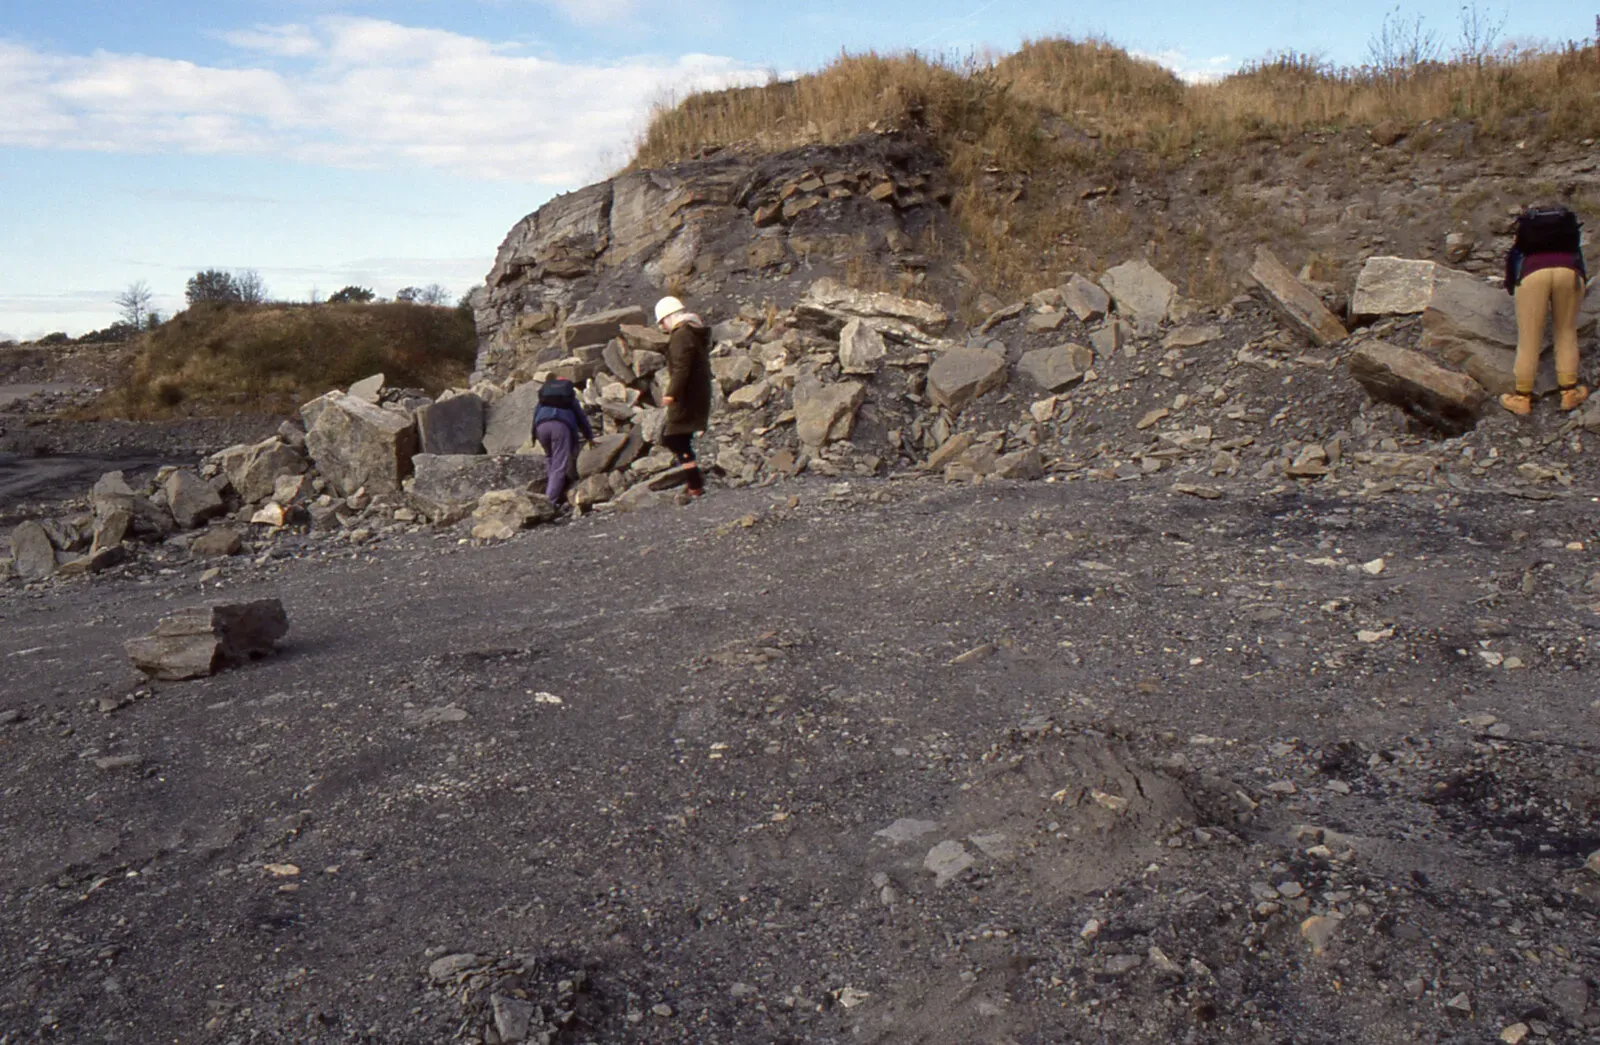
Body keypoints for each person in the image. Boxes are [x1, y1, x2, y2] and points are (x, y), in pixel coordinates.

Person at [1501, 204, 1590, 416]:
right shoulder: (1567, 240)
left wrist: (1512, 285)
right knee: (1566, 332)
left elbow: (1513, 261)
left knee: (1529, 339)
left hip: (1532, 274)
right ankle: (1569, 393)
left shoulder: (1527, 241)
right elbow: (1580, 261)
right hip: (1568, 272)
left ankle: (1522, 398)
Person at [655, 295, 712, 499]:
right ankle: (694, 482)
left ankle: (695, 483)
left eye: (662, 322)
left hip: (687, 396)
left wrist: (671, 393)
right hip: (697, 392)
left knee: (674, 438)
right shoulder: (693, 332)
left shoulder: (681, 335)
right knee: (680, 438)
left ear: (669, 317)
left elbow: (681, 368)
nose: (662, 327)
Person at [532, 377, 593, 507]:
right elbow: (581, 418)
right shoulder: (569, 398)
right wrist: (589, 437)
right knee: (559, 465)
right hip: (560, 426)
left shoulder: (544, 398)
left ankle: (550, 491)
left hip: (541, 427)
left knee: (550, 458)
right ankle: (549, 502)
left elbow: (535, 414)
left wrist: (533, 436)